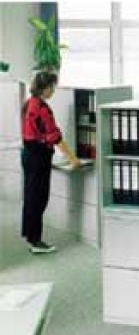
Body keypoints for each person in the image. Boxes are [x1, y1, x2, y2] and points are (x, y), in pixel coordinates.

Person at [21, 71, 81, 254]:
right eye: (52, 87)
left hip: (28, 154)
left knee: (30, 197)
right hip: (39, 158)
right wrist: (73, 159)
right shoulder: (42, 109)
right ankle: (36, 242)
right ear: (44, 88)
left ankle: (30, 236)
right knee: (39, 199)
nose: (53, 90)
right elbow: (55, 137)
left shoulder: (29, 103)